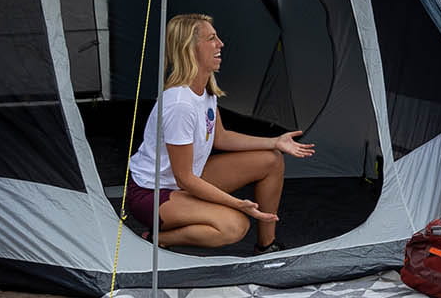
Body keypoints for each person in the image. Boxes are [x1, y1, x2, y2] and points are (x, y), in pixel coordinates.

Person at [125, 13, 315, 251]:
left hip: (186, 181)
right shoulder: (179, 104)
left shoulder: (204, 91)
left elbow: (221, 138)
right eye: (212, 39)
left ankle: (267, 246)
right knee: (235, 226)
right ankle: (156, 239)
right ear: (190, 48)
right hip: (152, 193)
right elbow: (185, 178)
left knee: (271, 160)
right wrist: (237, 204)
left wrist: (275, 142)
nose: (220, 44)